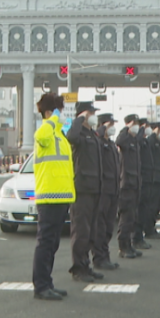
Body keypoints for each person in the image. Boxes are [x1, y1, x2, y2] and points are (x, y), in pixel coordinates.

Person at [32, 93, 75, 301]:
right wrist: (52, 121)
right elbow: (40, 136)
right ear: (50, 112)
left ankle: (47, 282)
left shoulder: (60, 135)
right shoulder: (45, 131)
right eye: (59, 110)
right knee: (46, 242)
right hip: (49, 197)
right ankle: (40, 286)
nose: (62, 114)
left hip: (62, 196)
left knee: (53, 243)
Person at [66, 101, 103, 283]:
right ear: (83, 115)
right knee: (80, 230)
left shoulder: (92, 134)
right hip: (82, 188)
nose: (94, 115)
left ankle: (86, 265)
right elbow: (70, 137)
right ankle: (78, 268)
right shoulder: (78, 132)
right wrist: (78, 120)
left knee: (90, 231)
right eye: (91, 112)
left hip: (95, 187)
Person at [93, 113, 121, 270]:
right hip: (103, 190)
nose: (112, 128)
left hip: (113, 189)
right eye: (110, 125)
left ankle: (105, 256)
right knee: (100, 226)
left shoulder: (110, 144)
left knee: (109, 226)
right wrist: (101, 129)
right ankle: (99, 258)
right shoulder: (98, 142)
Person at [116, 114, 143, 258]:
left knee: (132, 217)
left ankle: (129, 246)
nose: (136, 127)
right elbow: (119, 140)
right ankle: (123, 247)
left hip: (135, 184)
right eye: (134, 124)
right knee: (125, 218)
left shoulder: (134, 141)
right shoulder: (125, 140)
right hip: (126, 185)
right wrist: (126, 128)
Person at [143, 122, 160, 239]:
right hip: (154, 178)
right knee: (151, 205)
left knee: (156, 205)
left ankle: (151, 227)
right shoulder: (151, 141)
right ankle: (149, 229)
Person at [133, 118, 156, 249]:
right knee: (139, 211)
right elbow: (137, 140)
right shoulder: (138, 140)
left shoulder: (146, 141)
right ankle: (136, 238)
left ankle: (139, 237)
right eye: (145, 126)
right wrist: (141, 129)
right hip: (141, 180)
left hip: (148, 179)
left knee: (144, 209)